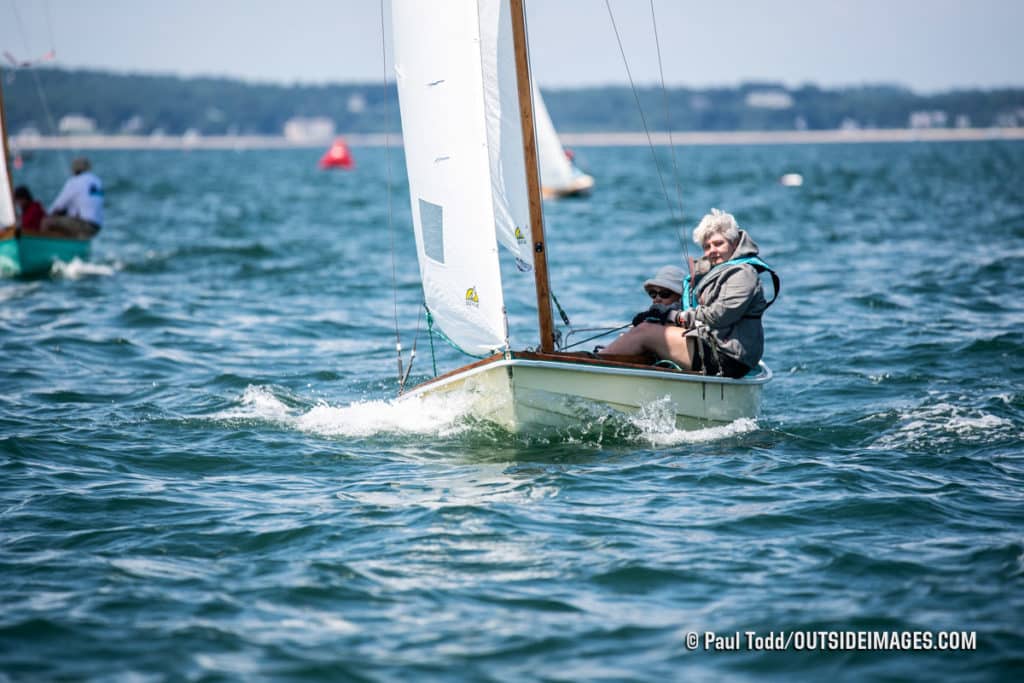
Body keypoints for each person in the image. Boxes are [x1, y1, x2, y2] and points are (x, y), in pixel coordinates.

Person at [599, 208, 778, 378]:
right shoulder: (721, 271)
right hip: (715, 347)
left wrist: (671, 315)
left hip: (729, 358)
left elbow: (718, 316)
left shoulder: (743, 273)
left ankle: (595, 363)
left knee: (645, 332)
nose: (712, 251)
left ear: (733, 243)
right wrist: (659, 316)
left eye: (718, 244)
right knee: (646, 328)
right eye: (707, 247)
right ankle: (603, 359)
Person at [40, 157, 103, 238]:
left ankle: (48, 247)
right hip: (97, 226)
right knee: (66, 221)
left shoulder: (75, 181)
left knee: (46, 222)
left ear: (75, 169)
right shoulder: (97, 181)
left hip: (85, 224)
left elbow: (58, 205)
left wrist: (46, 215)